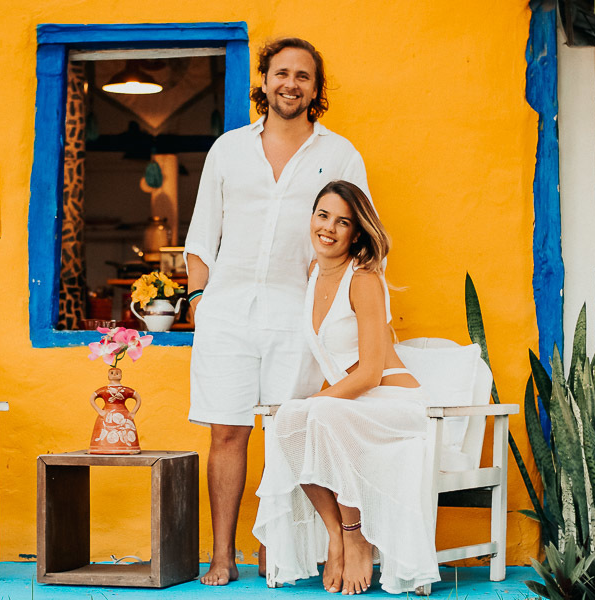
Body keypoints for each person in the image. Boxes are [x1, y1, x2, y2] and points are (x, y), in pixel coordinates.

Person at [183, 38, 370, 586]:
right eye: (281, 73)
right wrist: (199, 301)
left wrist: (340, 309)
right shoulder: (228, 150)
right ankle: (222, 555)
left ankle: (275, 548)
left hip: (300, 315)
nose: (291, 84)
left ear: (317, 89)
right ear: (263, 80)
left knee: (288, 429)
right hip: (227, 313)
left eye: (303, 77)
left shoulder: (340, 155)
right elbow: (200, 237)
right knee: (227, 433)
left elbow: (361, 236)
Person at [253, 181, 439, 595]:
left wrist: (313, 402)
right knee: (287, 423)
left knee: (312, 413)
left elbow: (371, 372)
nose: (329, 228)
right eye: (323, 216)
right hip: (354, 404)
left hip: (395, 403)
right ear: (312, 218)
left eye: (343, 222)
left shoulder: (364, 279)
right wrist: (306, 407)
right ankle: (336, 534)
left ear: (356, 233)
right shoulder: (314, 272)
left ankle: (356, 535)